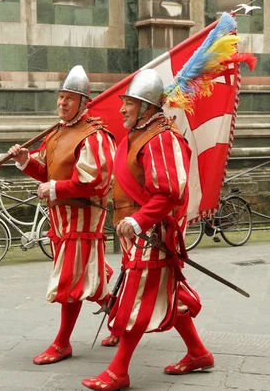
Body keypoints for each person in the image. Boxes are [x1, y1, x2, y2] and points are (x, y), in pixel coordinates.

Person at [82, 69, 213, 391]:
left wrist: (141, 220)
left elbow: (169, 192)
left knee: (135, 298)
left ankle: (118, 371)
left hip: (152, 232)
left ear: (146, 106)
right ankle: (198, 353)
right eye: (124, 102)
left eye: (129, 103)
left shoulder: (161, 137)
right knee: (165, 291)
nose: (122, 109)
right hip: (138, 231)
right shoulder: (139, 133)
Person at [8, 65, 117, 365]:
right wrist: (24, 161)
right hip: (61, 224)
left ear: (84, 102)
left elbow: (96, 181)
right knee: (85, 278)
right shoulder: (55, 133)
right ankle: (119, 317)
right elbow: (46, 170)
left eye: (70, 98)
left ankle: (62, 343)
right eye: (60, 97)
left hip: (83, 223)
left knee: (71, 282)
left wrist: (55, 189)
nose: (62, 103)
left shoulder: (95, 136)